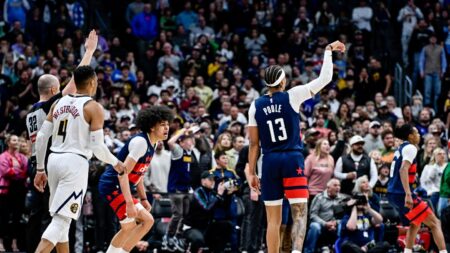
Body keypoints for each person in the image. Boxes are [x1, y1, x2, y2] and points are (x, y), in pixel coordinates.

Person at [246, 40, 345, 253]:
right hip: (291, 158)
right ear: (282, 83)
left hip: (269, 160)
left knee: (273, 220)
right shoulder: (293, 95)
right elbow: (325, 78)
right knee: (299, 211)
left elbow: (254, 143)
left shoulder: (255, 105)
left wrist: (252, 171)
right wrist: (328, 51)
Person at [33, 66, 126, 253]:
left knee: (63, 221)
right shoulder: (93, 107)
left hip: (53, 161)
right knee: (61, 220)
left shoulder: (57, 103)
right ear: (92, 82)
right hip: (75, 163)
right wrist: (116, 163)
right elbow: (98, 147)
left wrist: (40, 169)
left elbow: (42, 138)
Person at [25, 30, 98, 252]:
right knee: (60, 219)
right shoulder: (52, 105)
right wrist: (89, 52)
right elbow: (77, 81)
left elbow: (32, 144)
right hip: (55, 163)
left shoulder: (30, 113)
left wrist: (36, 167)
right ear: (54, 90)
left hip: (38, 165)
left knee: (50, 218)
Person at [98, 106, 173, 253]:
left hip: (121, 187)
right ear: (152, 126)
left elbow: (140, 174)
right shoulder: (141, 143)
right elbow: (122, 173)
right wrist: (129, 203)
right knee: (133, 225)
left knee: (144, 222)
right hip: (112, 185)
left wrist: (144, 199)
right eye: (163, 125)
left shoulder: (154, 143)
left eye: (167, 124)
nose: (167, 128)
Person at [387, 124, 447, 253]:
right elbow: (403, 169)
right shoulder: (410, 147)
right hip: (401, 193)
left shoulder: (400, 148)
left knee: (416, 222)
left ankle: (407, 251)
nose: (419, 135)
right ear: (410, 136)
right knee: (435, 223)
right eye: (416, 133)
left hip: (393, 193)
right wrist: (408, 194)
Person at [0, 134, 28, 252]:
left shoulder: (22, 157)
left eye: (17, 140)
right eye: (14, 140)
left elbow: (26, 171)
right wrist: (18, 171)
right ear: (8, 142)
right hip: (6, 190)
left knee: (17, 217)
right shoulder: (3, 156)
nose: (16, 142)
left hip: (19, 190)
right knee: (3, 217)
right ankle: (1, 242)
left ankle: (14, 243)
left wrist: (17, 171)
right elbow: (6, 171)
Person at [304, 179, 347, 253]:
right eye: (335, 185)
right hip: (321, 223)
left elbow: (345, 216)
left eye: (339, 185)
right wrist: (325, 224)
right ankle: (308, 251)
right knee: (314, 226)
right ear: (328, 188)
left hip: (335, 224)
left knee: (342, 224)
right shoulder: (319, 197)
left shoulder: (342, 198)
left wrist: (335, 223)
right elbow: (313, 215)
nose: (338, 187)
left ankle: (337, 249)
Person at [420, 148, 447, 212]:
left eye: (444, 154)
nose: (442, 155)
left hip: (445, 191)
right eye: (439, 154)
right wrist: (436, 165)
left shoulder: (447, 166)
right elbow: (425, 180)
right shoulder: (428, 167)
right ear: (434, 156)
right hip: (434, 191)